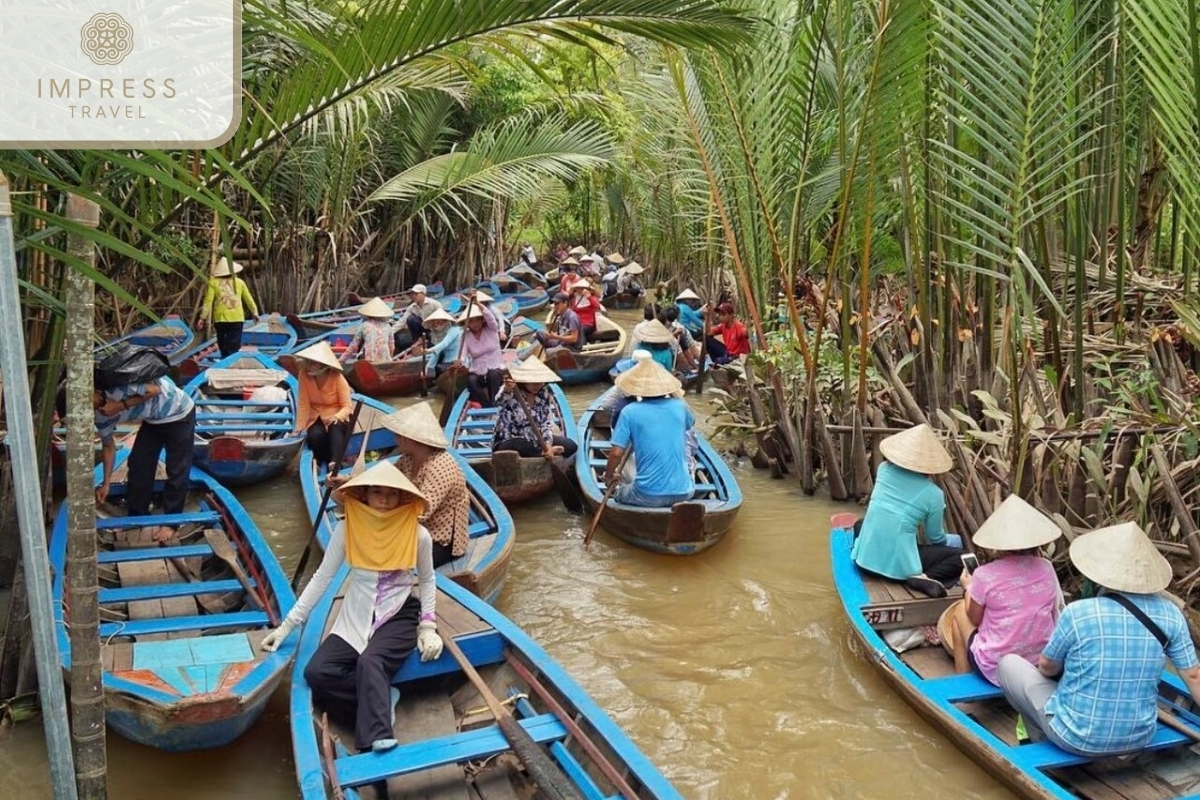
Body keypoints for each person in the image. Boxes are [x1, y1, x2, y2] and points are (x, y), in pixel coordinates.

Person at [261, 461, 444, 764]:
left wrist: (427, 627)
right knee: (317, 673)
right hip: (357, 611)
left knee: (371, 661)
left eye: (392, 493)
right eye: (376, 492)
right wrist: (287, 626)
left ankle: (376, 739)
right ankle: (381, 698)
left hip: (397, 612)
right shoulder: (348, 528)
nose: (384, 500)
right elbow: (322, 577)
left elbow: (427, 579)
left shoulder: (418, 534)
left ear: (403, 498)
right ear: (364, 495)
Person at [997, 521, 1200, 757]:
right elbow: (1194, 676)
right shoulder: (1171, 614)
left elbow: (1047, 666)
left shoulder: (1078, 612)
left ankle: (1038, 738)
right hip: (1140, 738)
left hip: (1075, 738)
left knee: (1008, 664)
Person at [937, 495, 1063, 685]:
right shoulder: (1046, 568)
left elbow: (975, 618)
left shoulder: (984, 575)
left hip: (996, 669)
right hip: (1038, 664)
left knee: (959, 612)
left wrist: (968, 588)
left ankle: (963, 684)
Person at [851, 424, 963, 597]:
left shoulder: (884, 470)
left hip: (863, 560)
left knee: (860, 523)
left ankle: (863, 549)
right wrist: (950, 540)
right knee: (961, 557)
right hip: (899, 570)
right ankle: (926, 577)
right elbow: (935, 537)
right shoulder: (935, 494)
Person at [92, 373, 196, 538]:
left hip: (179, 412)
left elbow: (155, 389)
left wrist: (120, 406)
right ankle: (137, 517)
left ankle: (171, 523)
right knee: (138, 463)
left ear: (95, 390)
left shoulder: (116, 385)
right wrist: (105, 483)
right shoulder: (99, 416)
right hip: (153, 420)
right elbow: (108, 446)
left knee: (177, 469)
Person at [377, 403, 470, 568]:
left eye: (398, 435)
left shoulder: (440, 466)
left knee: (388, 557)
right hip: (416, 530)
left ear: (406, 438)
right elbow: (385, 479)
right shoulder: (408, 459)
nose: (396, 439)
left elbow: (421, 511)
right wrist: (350, 481)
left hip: (442, 541)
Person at [603, 358, 695, 508]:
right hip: (685, 493)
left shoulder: (629, 411)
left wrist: (608, 478)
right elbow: (689, 424)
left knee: (619, 493)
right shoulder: (680, 406)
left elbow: (615, 453)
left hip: (647, 495)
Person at [493, 359, 578, 459]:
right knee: (522, 444)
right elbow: (499, 400)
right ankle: (541, 453)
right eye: (533, 383)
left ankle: (544, 451)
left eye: (540, 382)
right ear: (524, 382)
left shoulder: (543, 395)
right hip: (508, 440)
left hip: (535, 439)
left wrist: (548, 444)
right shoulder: (511, 391)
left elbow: (545, 423)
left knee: (571, 446)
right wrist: (507, 389)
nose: (537, 386)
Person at [293, 340, 353, 470]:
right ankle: (320, 459)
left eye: (313, 363)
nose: (309, 365)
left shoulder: (337, 377)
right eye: (308, 362)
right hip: (316, 414)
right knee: (315, 436)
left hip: (337, 413)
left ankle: (335, 461)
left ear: (323, 365)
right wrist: (299, 427)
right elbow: (304, 403)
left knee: (335, 429)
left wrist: (337, 416)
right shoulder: (303, 374)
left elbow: (347, 406)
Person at [200, 256, 259, 357]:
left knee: (222, 342)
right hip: (236, 317)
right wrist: (255, 312)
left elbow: (208, 301)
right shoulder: (240, 282)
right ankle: (231, 361)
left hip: (220, 318)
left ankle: (224, 359)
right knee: (234, 343)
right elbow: (248, 299)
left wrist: (202, 317)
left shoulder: (213, 283)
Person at [457, 293, 504, 407]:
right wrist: (459, 362)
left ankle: (495, 402)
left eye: (477, 320)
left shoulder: (491, 329)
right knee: (471, 381)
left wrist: (478, 304)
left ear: (482, 320)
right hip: (478, 370)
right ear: (467, 323)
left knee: (493, 375)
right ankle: (486, 405)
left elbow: (491, 319)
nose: (475, 324)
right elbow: (462, 355)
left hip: (496, 367)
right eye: (471, 321)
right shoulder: (465, 336)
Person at [340, 297, 398, 363]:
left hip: (369, 360)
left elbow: (353, 345)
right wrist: (389, 358)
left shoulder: (364, 325)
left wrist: (342, 360)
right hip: (385, 360)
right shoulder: (388, 326)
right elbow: (392, 347)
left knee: (361, 348)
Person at [414, 308, 460, 377]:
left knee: (439, 369)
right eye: (434, 322)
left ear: (446, 321)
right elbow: (436, 353)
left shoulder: (454, 330)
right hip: (446, 361)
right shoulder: (437, 334)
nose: (436, 324)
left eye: (439, 322)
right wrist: (427, 369)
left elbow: (444, 344)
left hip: (458, 360)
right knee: (432, 370)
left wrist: (428, 350)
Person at [401, 283, 444, 348]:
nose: (414, 296)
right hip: (423, 328)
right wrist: (390, 332)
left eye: (416, 294)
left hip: (434, 329)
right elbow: (402, 321)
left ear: (423, 294)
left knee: (432, 346)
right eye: (413, 294)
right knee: (411, 319)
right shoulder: (412, 307)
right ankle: (418, 339)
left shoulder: (435, 304)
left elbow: (443, 319)